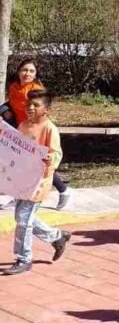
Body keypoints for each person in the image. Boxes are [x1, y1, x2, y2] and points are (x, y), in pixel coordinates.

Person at [3, 90, 72, 275]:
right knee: (22, 218)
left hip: (39, 183)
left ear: (47, 110)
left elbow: (56, 153)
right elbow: (16, 148)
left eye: (36, 105)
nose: (31, 108)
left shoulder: (50, 129)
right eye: (29, 105)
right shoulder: (23, 125)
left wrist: (51, 159)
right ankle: (57, 236)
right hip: (22, 180)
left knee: (24, 220)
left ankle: (24, 258)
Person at [2, 60, 73, 211]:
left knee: (39, 165)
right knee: (22, 164)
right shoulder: (14, 87)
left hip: (36, 129)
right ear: (18, 71)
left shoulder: (36, 90)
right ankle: (18, 195)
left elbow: (42, 107)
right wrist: (4, 109)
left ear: (35, 75)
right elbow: (12, 103)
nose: (27, 74)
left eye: (31, 71)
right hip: (21, 128)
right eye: (24, 70)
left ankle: (63, 191)